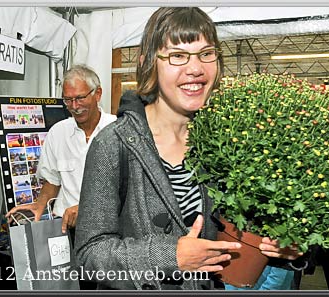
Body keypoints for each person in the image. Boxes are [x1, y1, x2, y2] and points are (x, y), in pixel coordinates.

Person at [75, 7, 303, 290]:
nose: (195, 69)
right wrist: (170, 256)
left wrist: (282, 246)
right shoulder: (114, 144)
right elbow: (88, 255)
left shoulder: (224, 141)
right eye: (177, 56)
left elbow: (243, 226)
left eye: (206, 54)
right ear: (148, 64)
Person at [5, 64, 116, 289]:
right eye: (68, 100)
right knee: (68, 287)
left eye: (80, 98)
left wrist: (85, 210)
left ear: (98, 94)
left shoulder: (118, 129)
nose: (74, 106)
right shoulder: (58, 132)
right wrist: (39, 205)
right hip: (67, 232)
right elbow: (52, 182)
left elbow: (128, 189)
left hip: (109, 232)